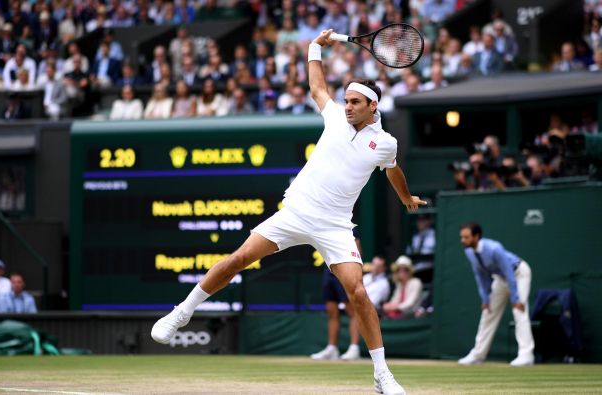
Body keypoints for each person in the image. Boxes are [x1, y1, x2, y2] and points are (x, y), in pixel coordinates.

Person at [151, 29, 426, 395]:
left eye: (355, 102)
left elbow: (392, 169)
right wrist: (314, 47)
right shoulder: (333, 118)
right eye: (346, 100)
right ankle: (181, 313)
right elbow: (317, 87)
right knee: (238, 260)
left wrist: (406, 197)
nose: (347, 107)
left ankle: (381, 375)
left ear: (372, 106)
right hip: (296, 212)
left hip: (335, 226)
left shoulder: (385, 143)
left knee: (358, 292)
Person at [458, 223, 535, 367]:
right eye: (462, 237)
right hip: (500, 279)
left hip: (518, 274)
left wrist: (515, 298)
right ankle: (478, 355)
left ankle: (526, 355)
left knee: (519, 311)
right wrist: (485, 299)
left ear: (476, 236)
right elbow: (480, 275)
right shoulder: (468, 251)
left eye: (466, 237)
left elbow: (509, 272)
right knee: (488, 313)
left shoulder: (494, 248)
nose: (463, 240)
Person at [311, 228, 362, 362]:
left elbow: (357, 248)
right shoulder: (324, 223)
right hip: (329, 271)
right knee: (331, 311)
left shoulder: (350, 226)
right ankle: (332, 348)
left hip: (345, 268)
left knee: (351, 310)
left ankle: (354, 348)